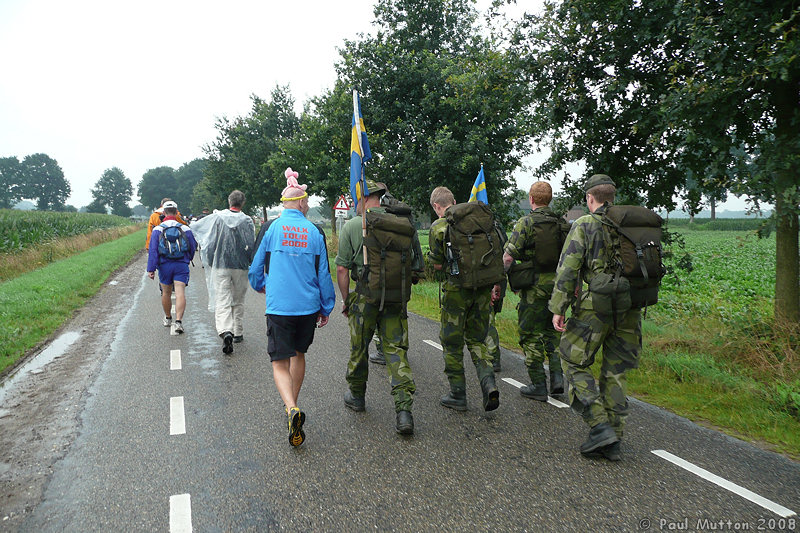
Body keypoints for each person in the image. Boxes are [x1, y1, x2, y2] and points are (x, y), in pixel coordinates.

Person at [550, 174, 642, 462]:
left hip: (595, 307)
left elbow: (568, 269)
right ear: (611, 197)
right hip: (630, 307)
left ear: (591, 198)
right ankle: (614, 438)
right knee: (616, 372)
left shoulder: (585, 224)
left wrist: (558, 307)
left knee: (571, 359)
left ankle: (599, 424)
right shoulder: (631, 226)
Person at [248, 168, 335, 447]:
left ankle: (290, 408)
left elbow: (256, 265)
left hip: (280, 306)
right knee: (299, 354)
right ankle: (292, 406)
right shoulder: (314, 231)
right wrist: (326, 306)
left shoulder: (272, 228)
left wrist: (260, 284)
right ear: (299, 202)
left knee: (278, 361)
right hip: (307, 307)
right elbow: (324, 273)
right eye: (307, 202)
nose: (308, 206)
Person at [335, 179, 419, 435]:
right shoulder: (402, 225)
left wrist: (346, 298)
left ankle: (357, 397)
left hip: (364, 297)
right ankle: (404, 411)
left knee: (359, 347)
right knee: (396, 350)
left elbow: (341, 268)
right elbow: (414, 263)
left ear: (364, 198)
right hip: (395, 296)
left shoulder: (353, 226)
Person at [428, 186, 500, 412]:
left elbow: (438, 264)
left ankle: (458, 394)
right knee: (477, 339)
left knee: (451, 341)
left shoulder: (440, 226)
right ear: (454, 200)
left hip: (456, 289)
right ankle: (488, 384)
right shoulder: (481, 222)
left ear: (437, 206)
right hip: (481, 288)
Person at [503, 181, 567, 400]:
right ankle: (558, 379)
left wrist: (501, 278)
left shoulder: (526, 223)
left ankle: (538, 384)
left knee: (530, 334)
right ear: (550, 199)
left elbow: (509, 256)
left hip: (534, 287)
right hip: (558, 286)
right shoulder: (561, 224)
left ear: (531, 198)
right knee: (553, 332)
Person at [191, 190, 256, 354]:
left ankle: (226, 330)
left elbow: (211, 241)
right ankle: (238, 331)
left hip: (221, 265)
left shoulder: (219, 219)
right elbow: (250, 243)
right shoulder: (247, 221)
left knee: (222, 299)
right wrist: (250, 260)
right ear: (243, 203)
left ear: (229, 202)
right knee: (238, 299)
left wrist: (211, 260)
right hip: (240, 266)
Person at [146, 201, 197, 334]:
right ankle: (179, 321)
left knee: (166, 292)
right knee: (180, 292)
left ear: (164, 213)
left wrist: (151, 269)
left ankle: (168, 318)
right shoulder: (185, 228)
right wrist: (188, 259)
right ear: (176, 212)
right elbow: (193, 246)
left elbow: (153, 251)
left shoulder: (158, 229)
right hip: (181, 264)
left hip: (164, 265)